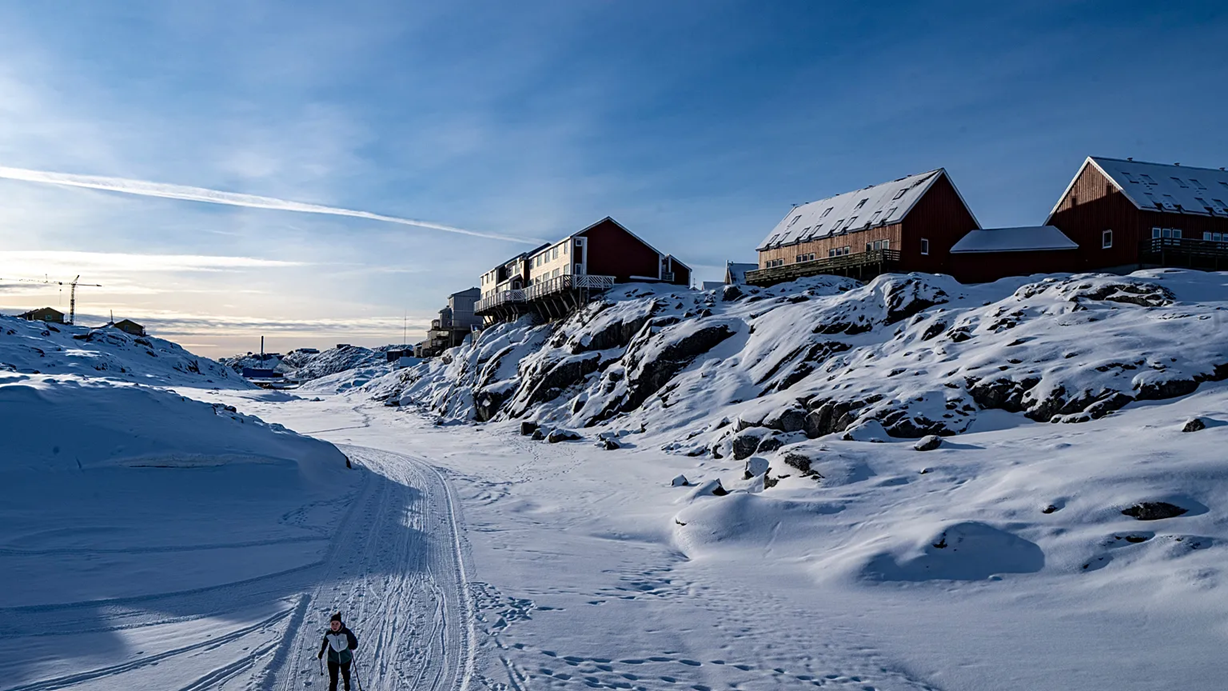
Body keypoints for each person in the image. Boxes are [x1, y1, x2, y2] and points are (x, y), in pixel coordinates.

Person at [317, 612, 359, 691]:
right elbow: (325, 641)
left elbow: (354, 642)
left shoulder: (346, 632)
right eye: (332, 624)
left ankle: (347, 684)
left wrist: (352, 646)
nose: (334, 626)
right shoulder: (329, 633)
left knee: (345, 675)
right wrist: (322, 651)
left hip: (345, 658)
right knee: (333, 680)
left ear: (340, 623)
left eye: (337, 623)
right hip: (332, 659)